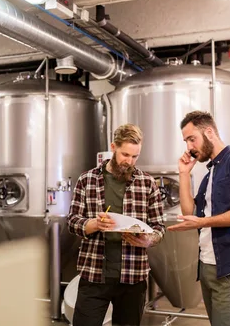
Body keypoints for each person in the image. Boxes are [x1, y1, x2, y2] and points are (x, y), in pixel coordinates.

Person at [168, 111, 230, 326]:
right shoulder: (210, 173)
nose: (189, 147)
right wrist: (184, 174)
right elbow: (189, 213)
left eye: (191, 139)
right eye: (186, 141)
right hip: (208, 266)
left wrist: (204, 222)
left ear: (209, 132)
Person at [67, 124, 165, 326]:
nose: (129, 161)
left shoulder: (147, 183)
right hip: (94, 274)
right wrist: (93, 224)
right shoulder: (87, 180)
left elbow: (159, 228)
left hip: (133, 276)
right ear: (113, 147)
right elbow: (73, 221)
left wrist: (148, 240)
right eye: (125, 154)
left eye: (135, 156)